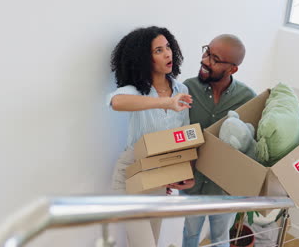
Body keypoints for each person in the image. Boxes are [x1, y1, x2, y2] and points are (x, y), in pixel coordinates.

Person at [167, 34, 257, 247]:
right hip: (191, 184)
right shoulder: (187, 89)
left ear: (233, 69)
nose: (205, 61)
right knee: (189, 235)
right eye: (207, 52)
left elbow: (250, 148)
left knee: (220, 238)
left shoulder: (248, 99)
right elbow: (175, 134)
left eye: (215, 59)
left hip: (224, 189)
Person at [106, 26, 192, 247]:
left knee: (150, 240)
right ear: (145, 59)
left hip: (158, 177)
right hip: (131, 175)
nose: (168, 54)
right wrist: (166, 102)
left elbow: (183, 137)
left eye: (169, 47)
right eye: (158, 50)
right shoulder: (135, 90)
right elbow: (117, 102)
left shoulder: (181, 89)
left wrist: (183, 173)